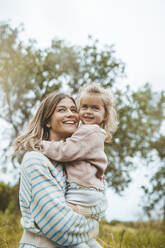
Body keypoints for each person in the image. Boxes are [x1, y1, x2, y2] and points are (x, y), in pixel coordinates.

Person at [13, 92, 102, 248]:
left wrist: (85, 214)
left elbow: (99, 205)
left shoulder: (76, 165)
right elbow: (58, 224)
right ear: (47, 121)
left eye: (74, 110)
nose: (71, 114)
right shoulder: (36, 160)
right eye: (61, 110)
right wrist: (91, 224)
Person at [40, 83, 118, 247]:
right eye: (84, 107)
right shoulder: (92, 133)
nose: (88, 112)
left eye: (95, 108)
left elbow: (66, 150)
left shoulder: (89, 131)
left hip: (81, 192)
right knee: (83, 237)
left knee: (67, 233)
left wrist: (42, 145)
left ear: (105, 115)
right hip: (90, 191)